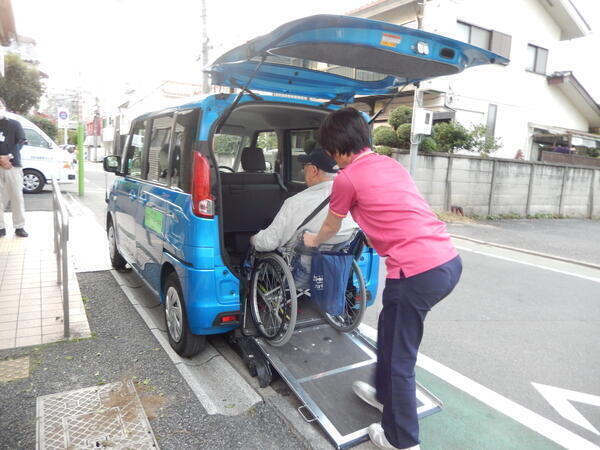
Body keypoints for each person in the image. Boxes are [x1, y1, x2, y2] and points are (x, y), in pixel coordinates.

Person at [304, 108, 462, 450]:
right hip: (447, 261)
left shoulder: (346, 178)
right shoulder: (389, 164)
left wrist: (313, 240)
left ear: (333, 147)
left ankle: (401, 440)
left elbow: (331, 226)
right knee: (391, 334)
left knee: (399, 359)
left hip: (416, 273)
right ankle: (382, 395)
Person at [250, 148, 357, 285]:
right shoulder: (351, 196)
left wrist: (254, 239)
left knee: (258, 247)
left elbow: (270, 242)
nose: (302, 171)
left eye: (304, 167)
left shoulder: (296, 202)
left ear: (313, 170)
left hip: (299, 273)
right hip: (334, 269)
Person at [0, 98, 28, 238]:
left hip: (13, 165)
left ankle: (19, 226)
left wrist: (8, 157)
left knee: (17, 196)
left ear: (4, 107)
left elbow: (20, 143)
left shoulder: (15, 124)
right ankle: (1, 227)